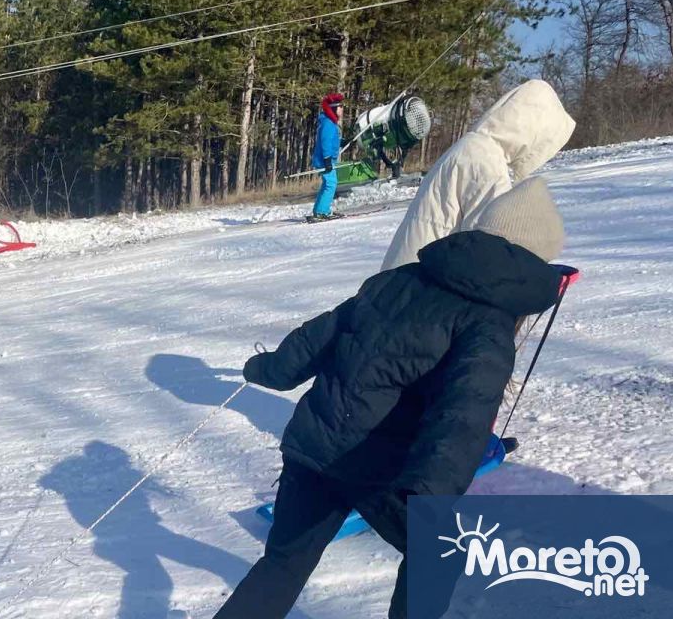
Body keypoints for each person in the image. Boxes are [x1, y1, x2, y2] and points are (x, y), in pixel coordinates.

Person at [215, 176, 567, 619]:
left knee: (284, 562)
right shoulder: (490, 325)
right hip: (376, 470)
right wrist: (429, 498)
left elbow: (312, 343)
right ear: (532, 264)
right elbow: (463, 418)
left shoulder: (399, 278)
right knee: (441, 555)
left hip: (313, 447)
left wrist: (264, 368)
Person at [381, 79, 575, 270]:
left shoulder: (473, 148)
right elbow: (492, 244)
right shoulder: (484, 162)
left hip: (407, 279)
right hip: (423, 289)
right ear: (533, 134)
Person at [309, 92, 344, 221]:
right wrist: (327, 159)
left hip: (327, 159)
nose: (342, 109)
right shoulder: (328, 123)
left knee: (327, 184)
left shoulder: (330, 123)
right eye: (340, 107)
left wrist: (343, 141)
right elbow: (325, 142)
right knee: (331, 184)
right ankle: (322, 211)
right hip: (325, 160)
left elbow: (332, 140)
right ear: (334, 108)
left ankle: (319, 210)